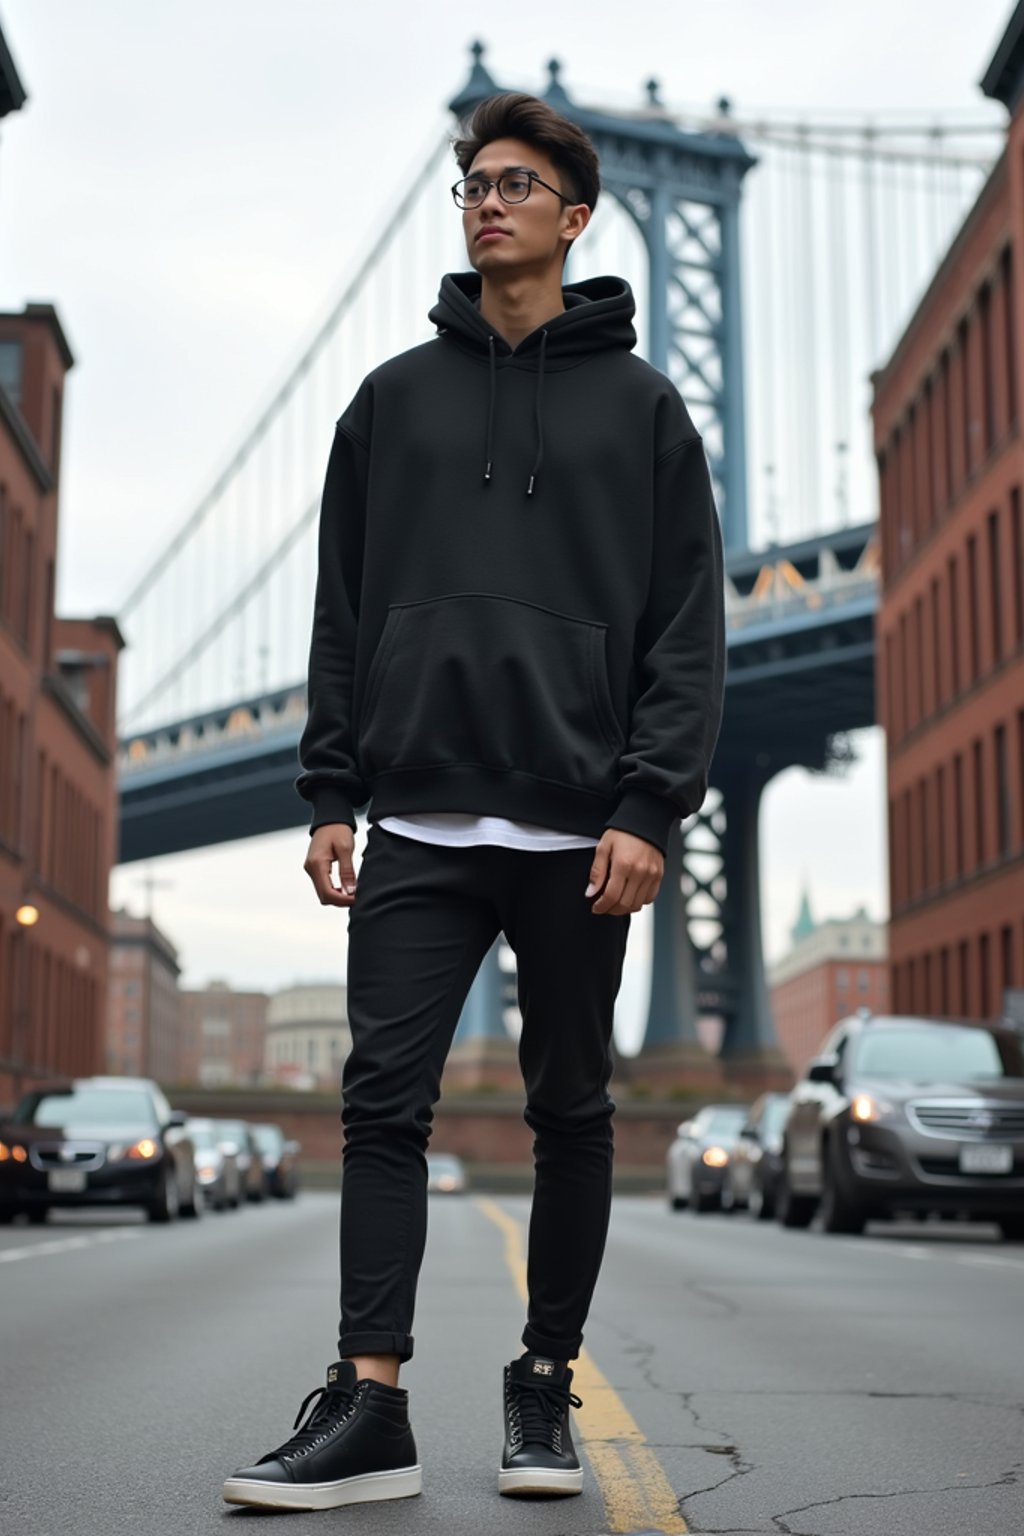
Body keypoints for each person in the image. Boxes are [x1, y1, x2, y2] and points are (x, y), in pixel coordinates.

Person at [222, 90, 725, 1513]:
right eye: (470, 183)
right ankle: (369, 1404)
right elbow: (338, 613)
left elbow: (688, 633)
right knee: (381, 1106)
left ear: (575, 216)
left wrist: (649, 805)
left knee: (573, 1111)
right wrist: (331, 785)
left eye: (516, 182)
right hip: (419, 822)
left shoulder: (647, 414)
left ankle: (544, 1382)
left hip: (582, 835)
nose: (485, 201)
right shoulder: (389, 401)